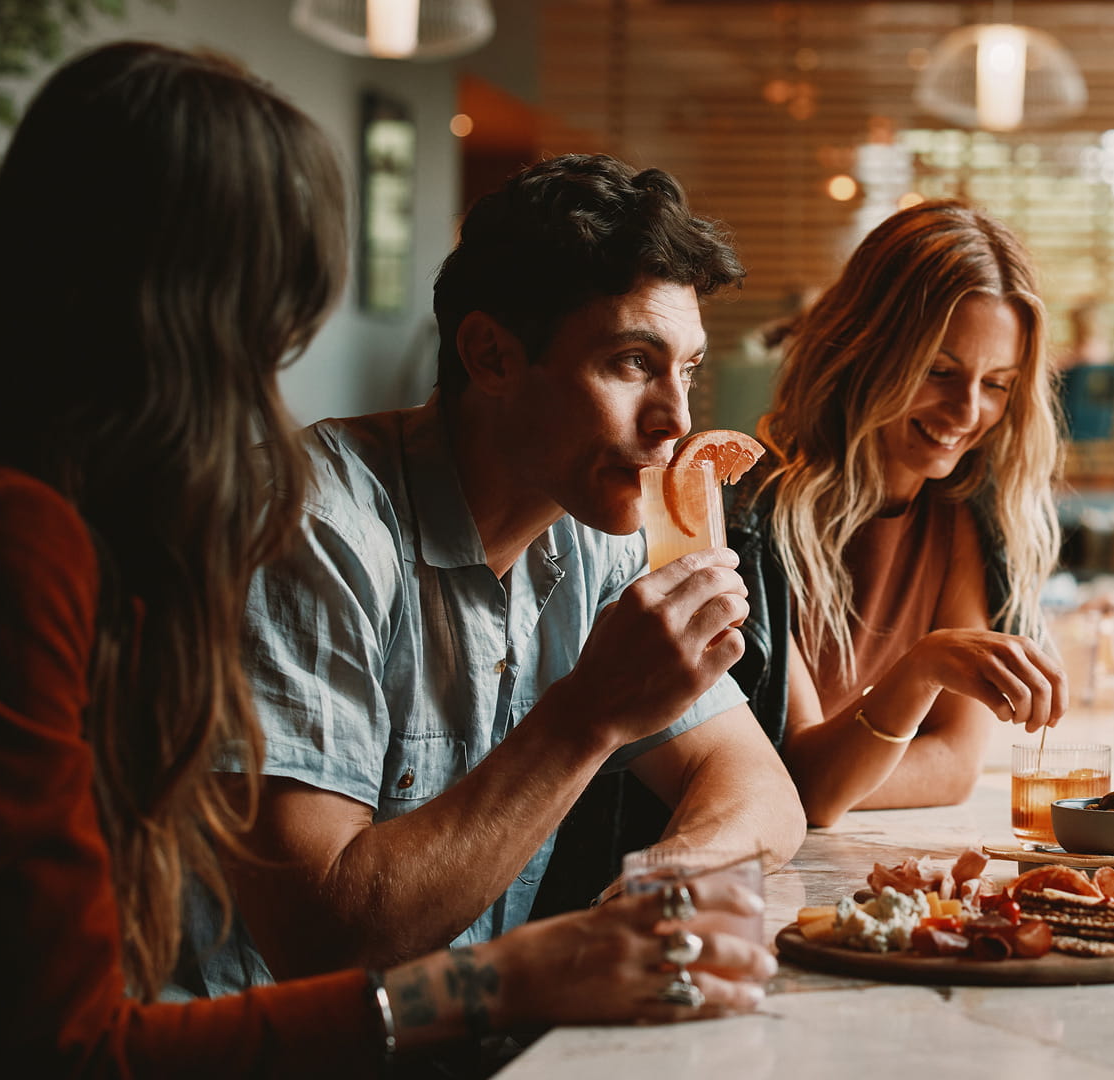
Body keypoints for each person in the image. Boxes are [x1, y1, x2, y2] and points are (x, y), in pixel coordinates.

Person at [0, 44, 772, 1075]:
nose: (258, 389)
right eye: (255, 333)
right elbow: (71, 1048)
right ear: (159, 316)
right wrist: (510, 976)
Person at [180, 153, 806, 996]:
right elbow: (323, 944)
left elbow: (757, 788)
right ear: (492, 356)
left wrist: (660, 893)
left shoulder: (600, 527)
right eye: (631, 363)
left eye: (685, 369)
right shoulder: (303, 524)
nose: (677, 421)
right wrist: (591, 712)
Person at [728, 200, 1068, 828]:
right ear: (866, 349)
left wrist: (856, 760)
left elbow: (956, 764)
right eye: (938, 371)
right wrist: (925, 667)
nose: (967, 412)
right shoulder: (752, 519)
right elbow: (809, 789)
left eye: (996, 383)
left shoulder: (963, 512)